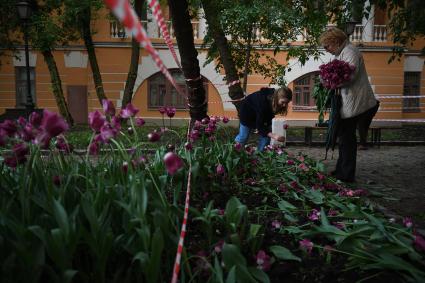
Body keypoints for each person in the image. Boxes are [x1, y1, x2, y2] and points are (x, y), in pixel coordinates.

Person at [320, 27, 379, 182]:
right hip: (349, 102)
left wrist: (330, 82)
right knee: (344, 137)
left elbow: (348, 77)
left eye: (327, 46)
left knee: (347, 138)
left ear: (335, 41)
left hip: (355, 102)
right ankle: (341, 170)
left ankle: (346, 175)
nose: (326, 50)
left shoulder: (350, 52)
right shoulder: (342, 52)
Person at [235, 86, 292, 151]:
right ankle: (235, 153)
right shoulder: (263, 102)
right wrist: (274, 136)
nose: (284, 105)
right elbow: (260, 126)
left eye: (286, 103)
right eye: (283, 102)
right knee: (243, 137)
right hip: (246, 115)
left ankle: (260, 157)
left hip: (261, 116)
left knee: (266, 138)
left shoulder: (273, 102)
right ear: (277, 97)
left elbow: (267, 118)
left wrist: (269, 132)